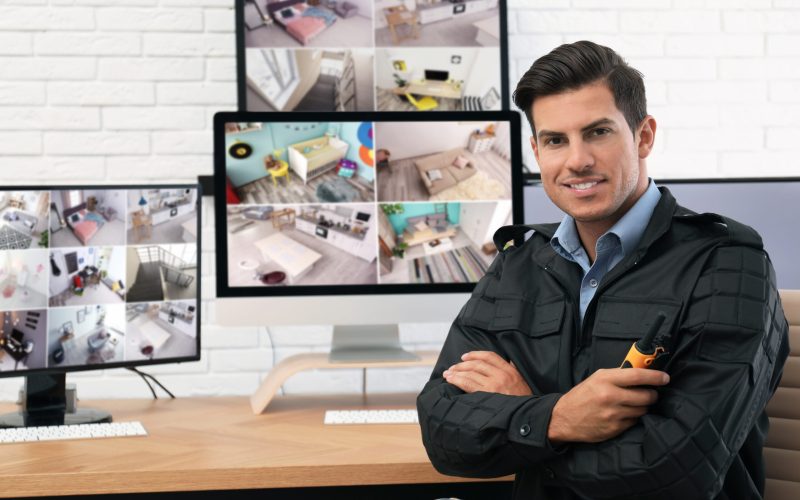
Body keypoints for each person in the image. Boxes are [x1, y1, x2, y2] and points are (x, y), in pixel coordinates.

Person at [416, 41, 789, 500]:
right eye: (555, 140)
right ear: (536, 150)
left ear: (644, 135)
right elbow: (442, 434)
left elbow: (676, 474)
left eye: (597, 132)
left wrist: (522, 415)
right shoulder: (518, 262)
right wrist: (558, 417)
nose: (576, 160)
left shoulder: (729, 262)